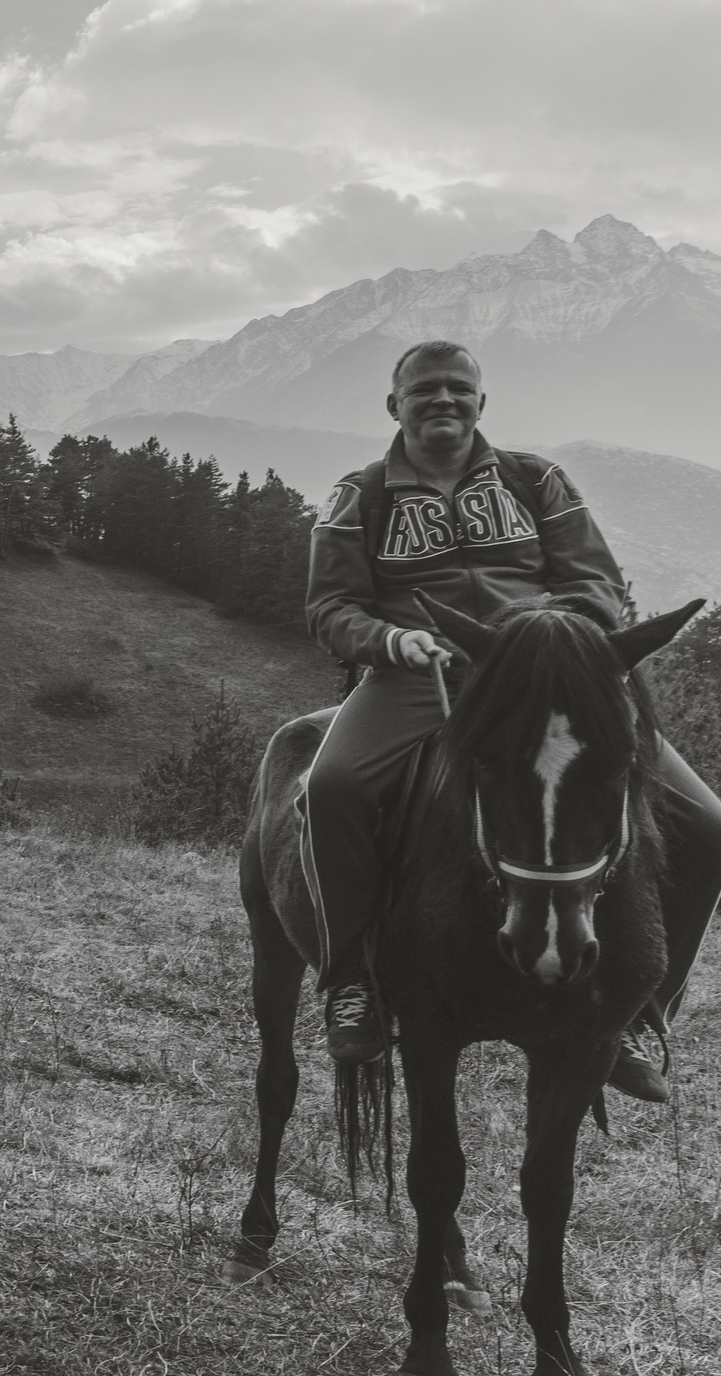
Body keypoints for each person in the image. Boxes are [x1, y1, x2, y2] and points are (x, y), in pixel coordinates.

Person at [305, 339, 721, 1100]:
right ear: (393, 405)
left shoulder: (537, 479)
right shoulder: (359, 495)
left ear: (481, 403)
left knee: (708, 822)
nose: (443, 401)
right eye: (424, 390)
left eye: (459, 389)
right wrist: (391, 639)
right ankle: (349, 980)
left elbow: (594, 580)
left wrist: (549, 639)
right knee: (331, 786)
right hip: (420, 671)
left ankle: (638, 1009)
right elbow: (330, 608)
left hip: (545, 675)